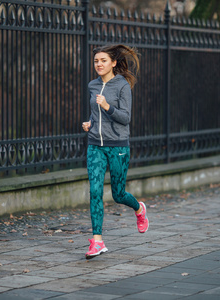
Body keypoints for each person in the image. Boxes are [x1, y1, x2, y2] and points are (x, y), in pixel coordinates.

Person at [82, 44, 149, 259]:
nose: (99, 64)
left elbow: (125, 117)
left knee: (118, 194)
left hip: (118, 145)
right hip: (95, 145)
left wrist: (107, 107)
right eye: (96, 61)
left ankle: (138, 209)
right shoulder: (93, 85)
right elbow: (95, 114)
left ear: (113, 63)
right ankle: (97, 241)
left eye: (103, 60)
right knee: (95, 191)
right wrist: (89, 123)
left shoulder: (122, 86)